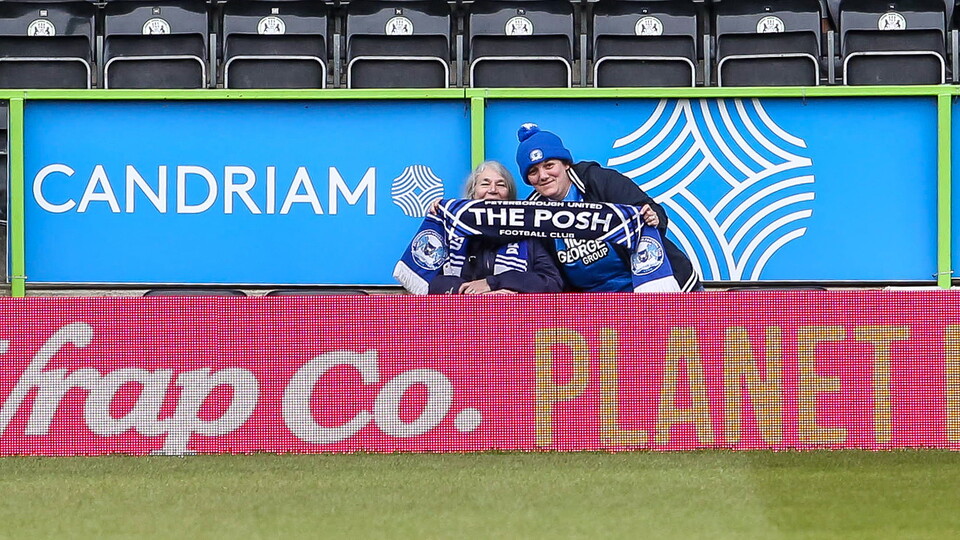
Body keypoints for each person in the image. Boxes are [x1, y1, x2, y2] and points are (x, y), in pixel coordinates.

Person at [516, 123, 703, 292]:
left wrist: (653, 217)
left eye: (549, 165)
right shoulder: (533, 213)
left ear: (566, 164)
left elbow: (649, 210)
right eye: (533, 171)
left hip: (655, 288)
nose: (543, 175)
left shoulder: (599, 180)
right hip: (597, 307)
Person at [428, 161, 564, 295]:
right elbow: (427, 281)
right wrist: (470, 292)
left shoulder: (527, 235)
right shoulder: (450, 230)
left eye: (501, 185)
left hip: (512, 314)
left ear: (509, 197)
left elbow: (552, 283)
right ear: (472, 193)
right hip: (461, 315)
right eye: (485, 184)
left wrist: (495, 283)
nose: (493, 190)